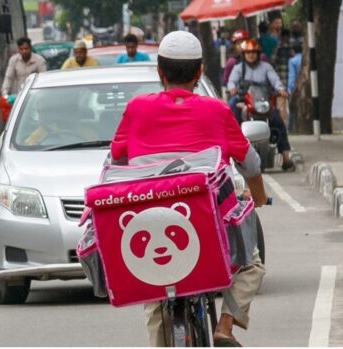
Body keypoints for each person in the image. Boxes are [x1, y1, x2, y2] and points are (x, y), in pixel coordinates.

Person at [110, 30, 268, 347]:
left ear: (159, 71)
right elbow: (250, 165)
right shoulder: (218, 111)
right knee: (252, 263)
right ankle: (225, 324)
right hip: (206, 226)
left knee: (156, 294)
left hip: (151, 224)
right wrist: (259, 197)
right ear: (199, 72)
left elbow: (116, 159)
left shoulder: (137, 109)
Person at [227, 39, 294, 171]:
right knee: (231, 113)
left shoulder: (266, 67)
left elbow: (275, 80)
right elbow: (231, 82)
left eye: (254, 52)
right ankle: (231, 151)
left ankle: (286, 157)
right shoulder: (239, 68)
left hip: (263, 102)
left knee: (278, 121)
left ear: (258, 54)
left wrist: (280, 89)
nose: (251, 55)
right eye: (248, 52)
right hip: (244, 101)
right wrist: (232, 88)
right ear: (244, 54)